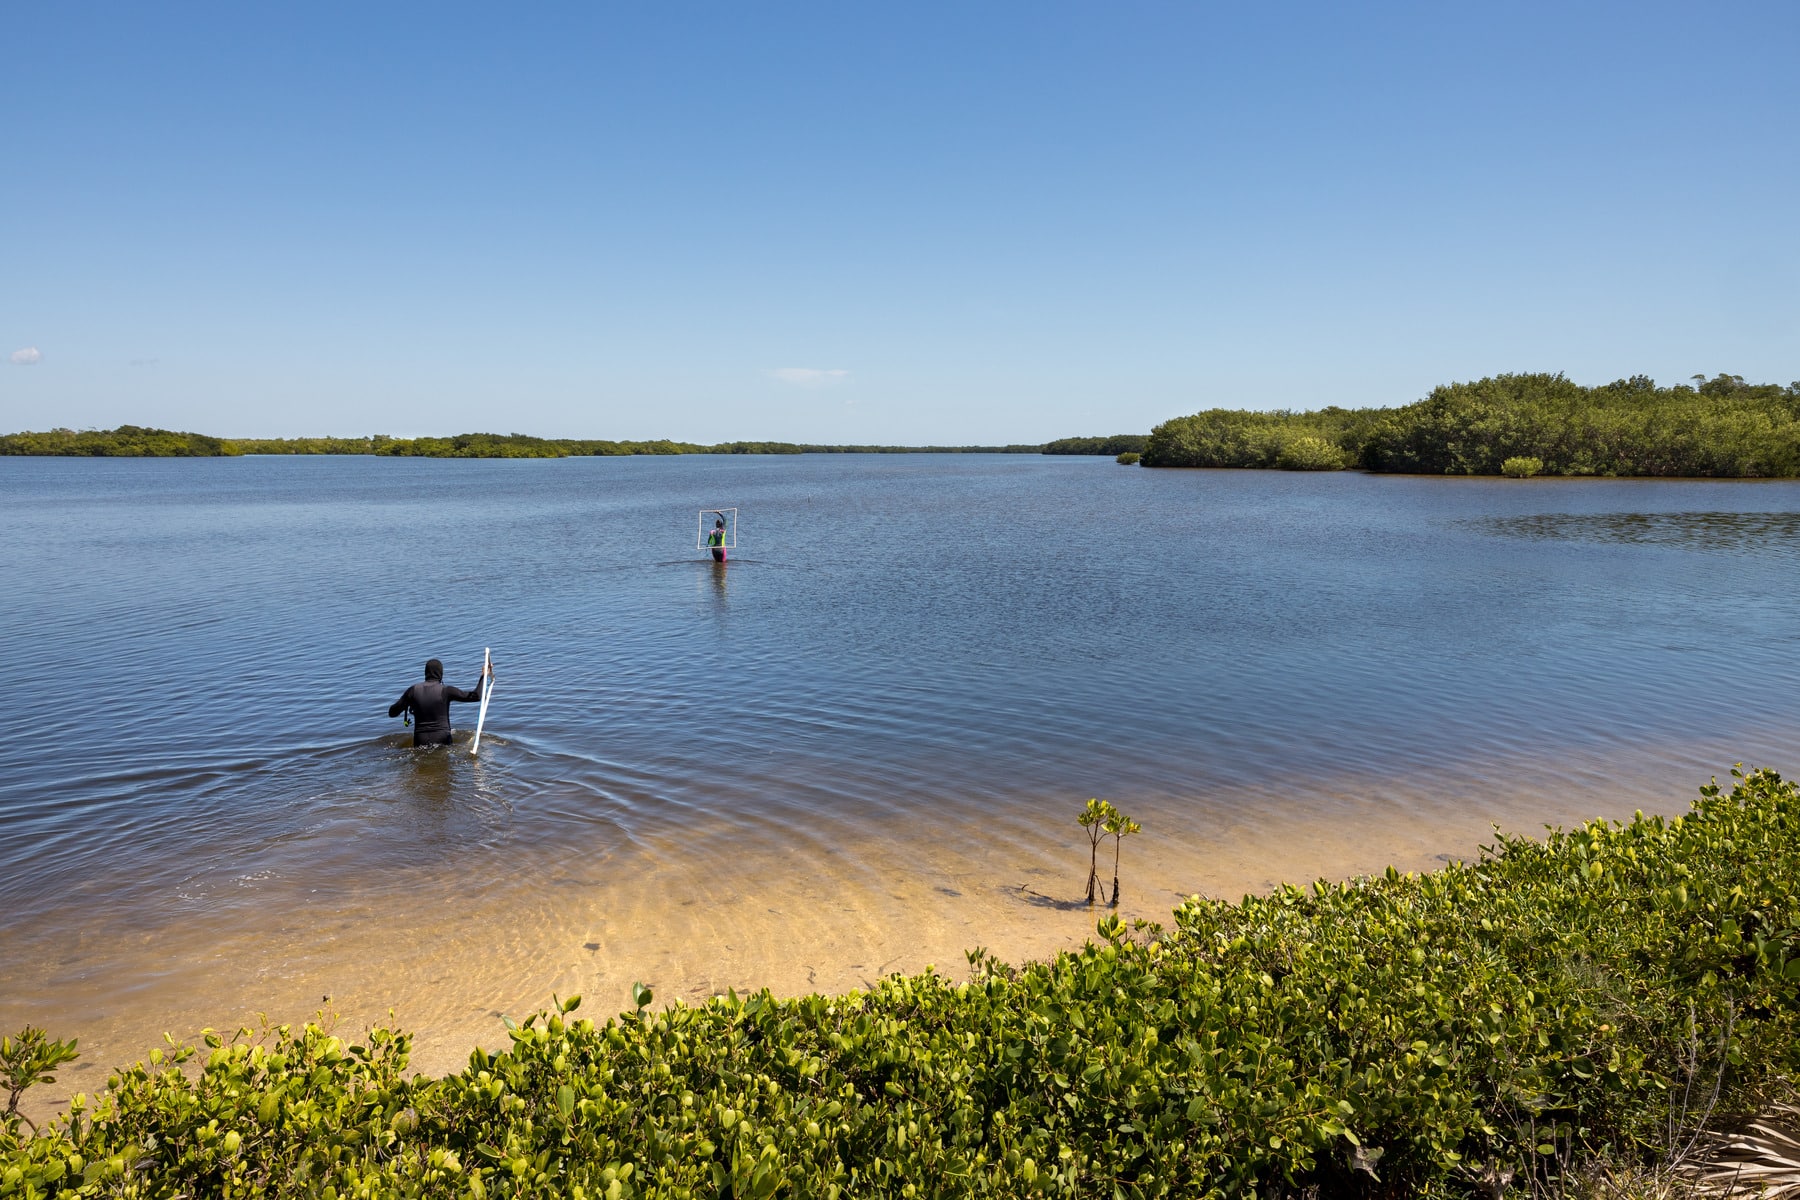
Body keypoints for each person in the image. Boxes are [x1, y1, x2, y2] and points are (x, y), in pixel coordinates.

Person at [388, 657, 490, 747]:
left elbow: (392, 713)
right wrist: (483, 676)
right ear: (441, 674)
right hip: (443, 739)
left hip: (420, 740)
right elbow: (476, 696)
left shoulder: (413, 691)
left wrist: (407, 703)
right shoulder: (446, 690)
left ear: (425, 673)